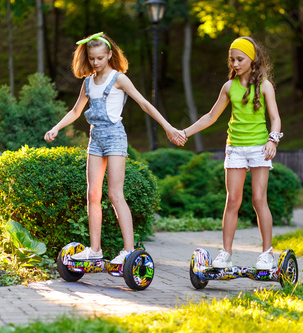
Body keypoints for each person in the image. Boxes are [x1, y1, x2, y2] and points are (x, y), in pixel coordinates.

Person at [45, 32, 186, 264]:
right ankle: (95, 249)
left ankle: (128, 250)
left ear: (110, 54)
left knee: (114, 193)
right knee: (92, 194)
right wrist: (56, 127)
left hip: (115, 137)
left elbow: (144, 103)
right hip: (95, 138)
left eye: (101, 57)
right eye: (92, 58)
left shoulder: (118, 79)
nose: (96, 62)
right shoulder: (88, 82)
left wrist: (168, 128)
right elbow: (75, 111)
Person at [182, 36, 282, 270]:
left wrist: (273, 140)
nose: (235, 64)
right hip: (235, 148)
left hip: (259, 148)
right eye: (232, 60)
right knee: (232, 201)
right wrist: (185, 132)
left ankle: (267, 253)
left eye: (240, 59)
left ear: (252, 59)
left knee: (259, 200)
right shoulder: (229, 87)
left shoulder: (264, 85)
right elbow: (210, 116)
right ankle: (225, 253)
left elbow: (275, 118)